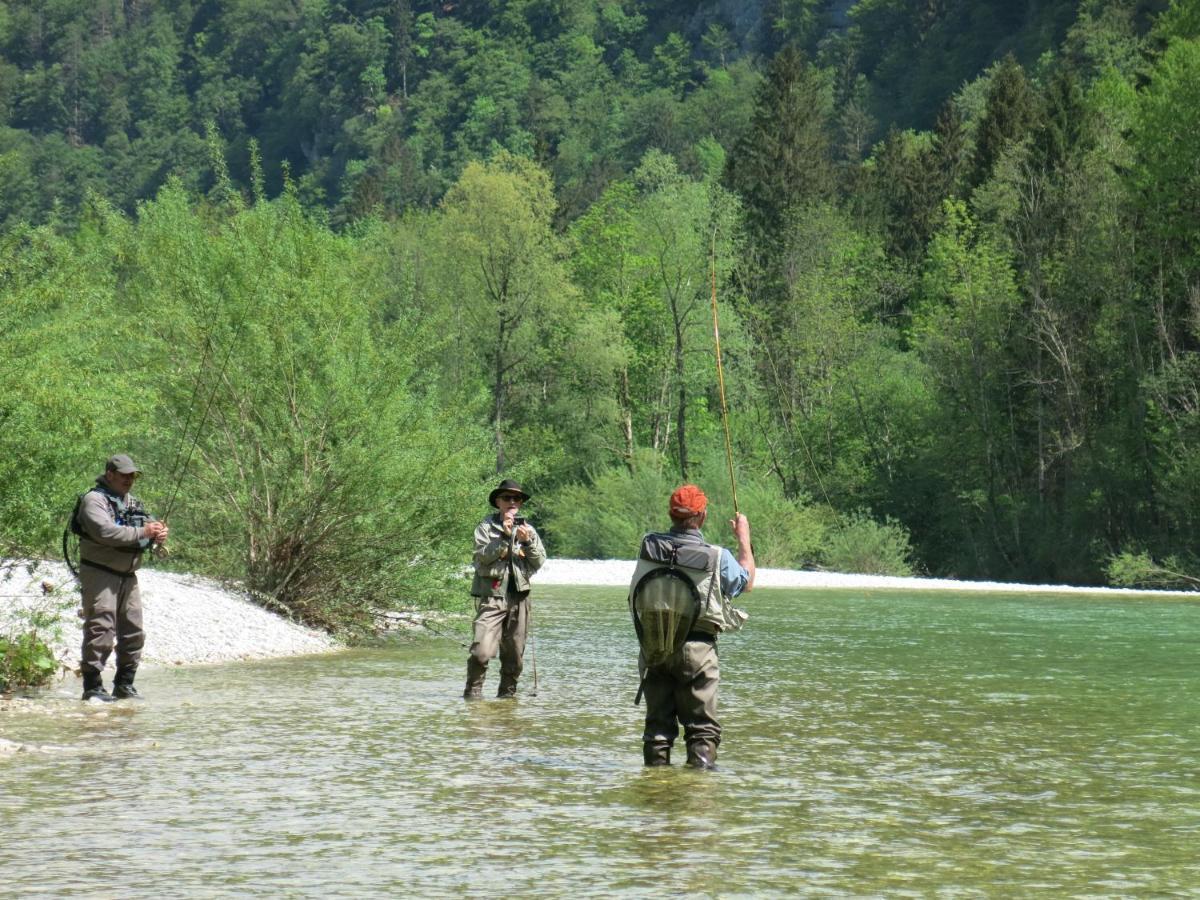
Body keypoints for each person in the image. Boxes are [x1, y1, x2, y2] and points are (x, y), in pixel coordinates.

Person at [629, 483, 754, 769]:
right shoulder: (716, 556)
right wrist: (744, 538)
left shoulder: (648, 545)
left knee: (657, 730)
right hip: (697, 649)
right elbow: (746, 583)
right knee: (702, 730)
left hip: (654, 646)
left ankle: (656, 787)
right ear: (703, 516)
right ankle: (697, 795)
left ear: (671, 515)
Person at [74, 454, 168, 702]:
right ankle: (92, 687)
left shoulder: (132, 501)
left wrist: (157, 532)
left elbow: (146, 526)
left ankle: (124, 685)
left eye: (132, 475)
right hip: (99, 572)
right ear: (110, 474)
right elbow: (105, 532)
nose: (129, 480)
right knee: (101, 627)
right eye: (125, 475)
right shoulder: (94, 500)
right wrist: (143, 531)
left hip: (129, 575)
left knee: (134, 631)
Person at [463, 479, 547, 699]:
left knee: (514, 657)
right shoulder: (485, 528)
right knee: (481, 652)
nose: (512, 502)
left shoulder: (528, 530)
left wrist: (526, 543)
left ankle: (507, 700)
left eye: (516, 498)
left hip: (519, 599)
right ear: (497, 502)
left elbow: (538, 562)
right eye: (507, 498)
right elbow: (482, 557)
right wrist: (504, 537)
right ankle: (472, 696)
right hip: (492, 597)